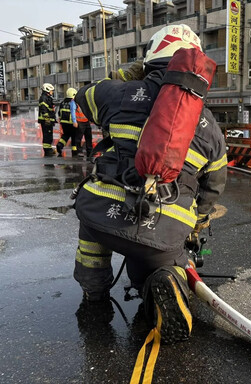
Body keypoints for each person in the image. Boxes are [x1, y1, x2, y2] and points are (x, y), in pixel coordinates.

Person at [72, 24, 227, 344]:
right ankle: (168, 278)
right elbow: (213, 187)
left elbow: (83, 98)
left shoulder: (116, 93)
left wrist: (123, 77)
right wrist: (195, 226)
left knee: (91, 235)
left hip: (103, 215)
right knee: (162, 261)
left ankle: (94, 293)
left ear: (150, 58)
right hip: (163, 228)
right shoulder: (209, 125)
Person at [56, 87, 79, 157]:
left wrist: (60, 118)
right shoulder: (73, 103)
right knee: (74, 136)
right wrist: (75, 122)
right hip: (71, 123)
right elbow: (73, 113)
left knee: (65, 135)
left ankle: (60, 145)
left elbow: (59, 112)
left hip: (63, 123)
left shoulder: (62, 102)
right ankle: (74, 151)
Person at [37, 83, 57, 157]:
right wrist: (47, 119)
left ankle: (49, 149)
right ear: (47, 90)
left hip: (48, 120)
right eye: (51, 91)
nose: (52, 92)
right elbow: (44, 109)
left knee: (49, 135)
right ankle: (48, 151)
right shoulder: (44, 98)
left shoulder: (47, 97)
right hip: (46, 121)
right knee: (47, 136)